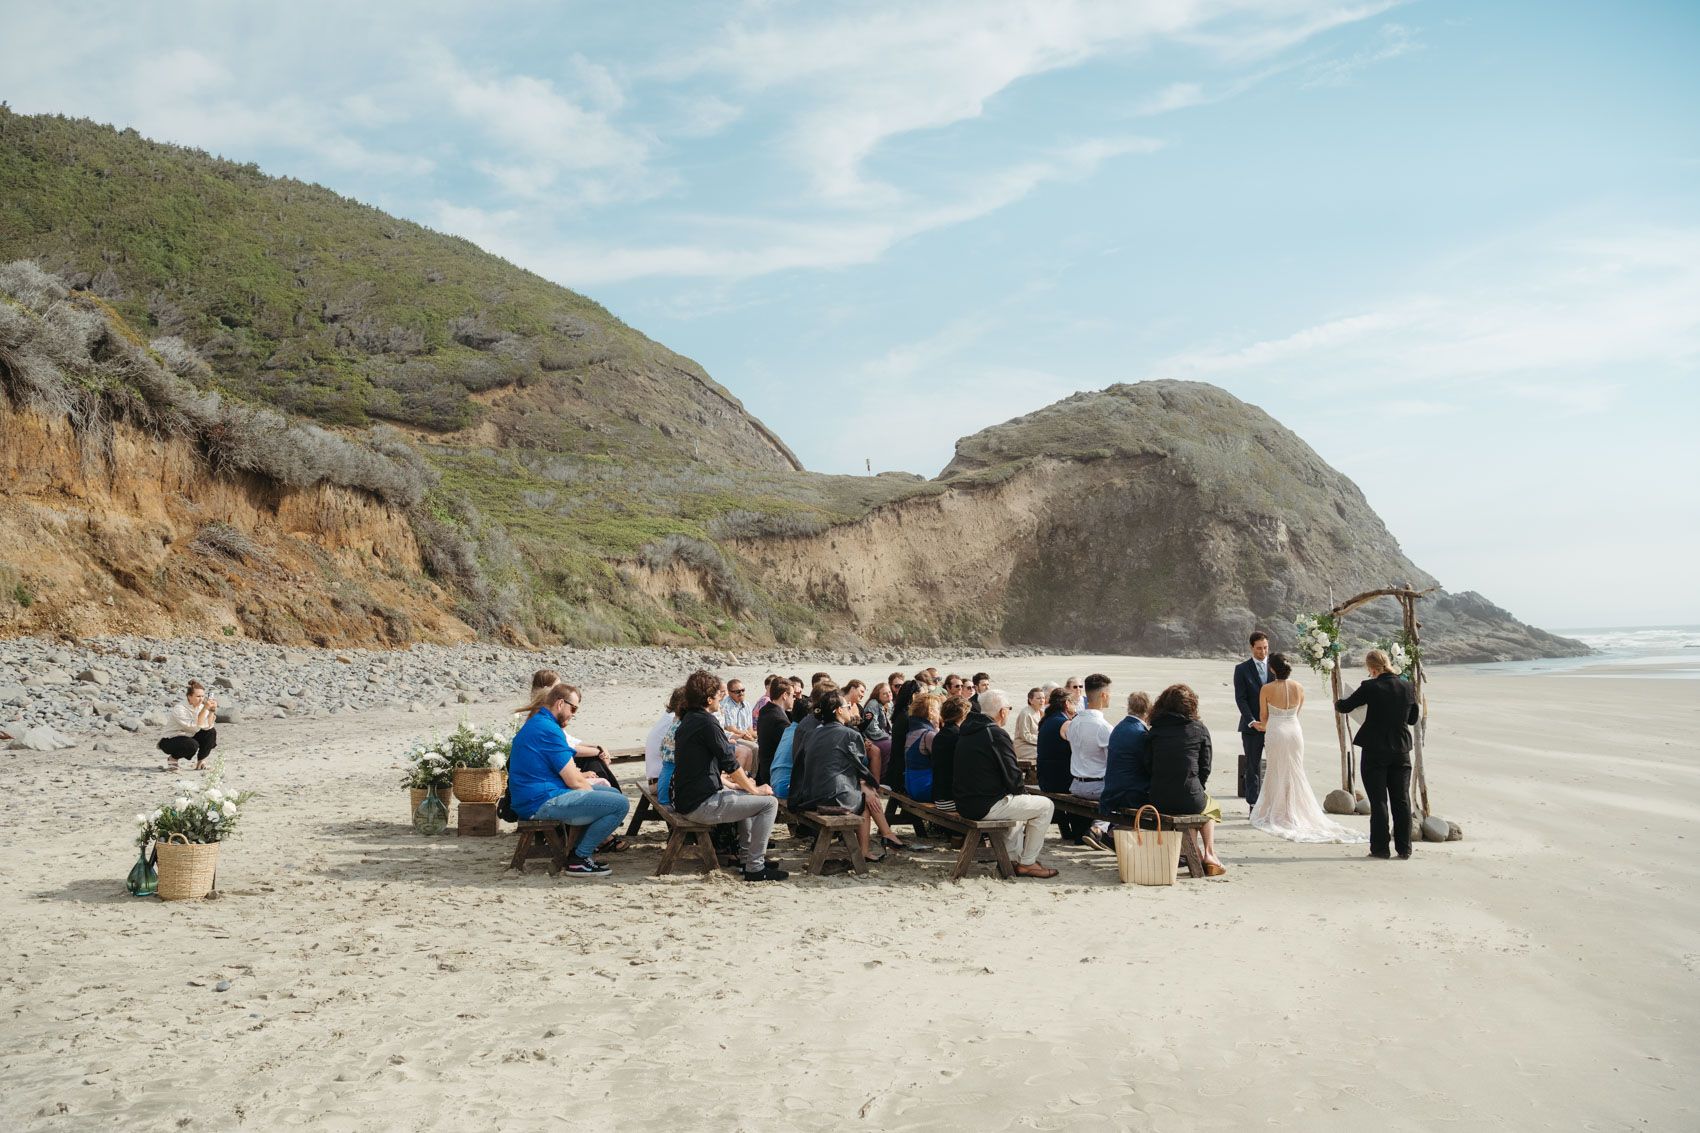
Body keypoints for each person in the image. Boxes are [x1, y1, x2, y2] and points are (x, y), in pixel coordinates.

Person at [671, 670, 787, 881]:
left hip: (687, 798)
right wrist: (755, 788)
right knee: (769, 803)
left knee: (746, 794)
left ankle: (746, 859)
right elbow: (730, 763)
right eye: (719, 695)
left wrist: (739, 786)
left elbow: (704, 768)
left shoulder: (688, 719)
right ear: (708, 700)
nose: (721, 699)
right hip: (700, 804)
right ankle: (754, 867)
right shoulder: (707, 722)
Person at [508, 683, 629, 877]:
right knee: (619, 804)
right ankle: (579, 858)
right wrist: (596, 802)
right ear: (559, 703)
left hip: (537, 796)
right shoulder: (549, 729)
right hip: (540, 801)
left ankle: (581, 851)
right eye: (573, 709)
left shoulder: (539, 723)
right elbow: (574, 782)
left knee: (612, 794)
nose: (573, 714)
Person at [1250, 654, 1367, 845]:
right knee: (1295, 770)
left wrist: (1261, 725)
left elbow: (1264, 716)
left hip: (1276, 731)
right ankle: (1291, 810)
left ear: (1272, 669)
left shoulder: (1266, 689)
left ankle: (1276, 811)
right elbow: (1297, 711)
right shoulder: (1299, 687)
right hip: (1294, 730)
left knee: (1275, 770)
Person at [788, 688, 908, 860]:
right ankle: (865, 851)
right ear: (838, 710)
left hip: (809, 795)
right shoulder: (850, 734)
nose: (850, 709)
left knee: (865, 792)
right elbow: (859, 768)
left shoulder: (813, 733)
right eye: (847, 706)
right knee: (866, 799)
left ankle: (881, 838)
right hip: (832, 797)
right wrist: (869, 785)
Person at [953, 689, 1058, 878]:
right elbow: (1013, 774)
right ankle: (1028, 862)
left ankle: (1009, 860)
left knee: (1015, 803)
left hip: (965, 802)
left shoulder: (968, 731)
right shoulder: (995, 734)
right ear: (1002, 712)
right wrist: (1022, 792)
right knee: (1045, 806)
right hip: (983, 805)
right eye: (1008, 708)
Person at [1334, 649, 1419, 860]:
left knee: (1379, 800)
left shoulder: (1370, 686)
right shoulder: (1407, 686)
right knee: (1401, 799)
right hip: (1401, 750)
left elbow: (1345, 706)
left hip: (1375, 750)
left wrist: (1338, 701)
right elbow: (1412, 719)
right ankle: (1404, 848)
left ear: (1371, 668)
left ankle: (1381, 848)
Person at [1147, 683, 1226, 876]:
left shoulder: (1155, 730)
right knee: (1210, 806)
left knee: (1194, 802)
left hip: (1159, 798)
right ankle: (1208, 853)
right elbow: (1205, 766)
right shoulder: (1198, 729)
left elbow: (1148, 765)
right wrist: (1197, 786)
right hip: (1189, 794)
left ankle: (1196, 853)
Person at [522, 670, 620, 789]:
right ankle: (611, 793)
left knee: (594, 761)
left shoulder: (541, 716)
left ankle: (611, 792)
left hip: (551, 773)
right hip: (550, 781)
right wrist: (598, 752)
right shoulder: (544, 720)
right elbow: (564, 746)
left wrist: (597, 747)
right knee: (594, 762)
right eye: (557, 687)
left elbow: (569, 740)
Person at [1067, 673, 1116, 849]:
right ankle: (1098, 829)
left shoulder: (1074, 722)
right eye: (1109, 693)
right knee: (1123, 793)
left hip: (1076, 784)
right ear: (1103, 695)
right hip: (1096, 788)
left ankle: (1101, 829)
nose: (1110, 697)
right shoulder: (1104, 727)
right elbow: (1113, 764)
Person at [1035, 687, 1087, 843]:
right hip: (1060, 780)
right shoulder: (1065, 723)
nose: (1076, 706)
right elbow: (1077, 750)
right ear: (1066, 703)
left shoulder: (1047, 720)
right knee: (1082, 786)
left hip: (1046, 777)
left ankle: (1069, 830)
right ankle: (1081, 834)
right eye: (1073, 703)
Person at [1234, 632, 1272, 805]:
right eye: (1259, 648)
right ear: (1251, 648)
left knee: (1275, 766)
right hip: (1251, 727)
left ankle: (1271, 804)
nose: (1263, 652)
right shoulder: (1241, 669)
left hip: (1274, 726)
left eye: (1265, 648)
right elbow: (1240, 699)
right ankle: (1253, 805)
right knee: (1252, 767)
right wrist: (1252, 721)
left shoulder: (1276, 667)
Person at [1100, 691, 1153, 815]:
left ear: (1129, 707)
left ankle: (1112, 832)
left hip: (1111, 793)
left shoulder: (1118, 728)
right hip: (1130, 795)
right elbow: (1149, 766)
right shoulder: (1141, 734)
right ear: (1148, 710)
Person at [159, 680, 218, 771]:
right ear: (189, 697)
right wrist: (205, 709)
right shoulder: (180, 709)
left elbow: (208, 726)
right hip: (170, 740)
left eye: (202, 696)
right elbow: (194, 726)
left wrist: (211, 711)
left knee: (211, 732)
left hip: (189, 735)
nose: (201, 699)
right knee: (191, 745)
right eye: (198, 696)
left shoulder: (201, 707)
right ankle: (173, 759)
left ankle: (201, 761)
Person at [930, 695, 970, 812]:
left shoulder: (940, 735)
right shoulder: (959, 737)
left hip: (939, 797)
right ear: (963, 715)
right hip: (951, 800)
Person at [901, 691, 942, 801]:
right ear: (931, 711)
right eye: (938, 709)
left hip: (911, 787)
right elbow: (943, 762)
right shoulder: (928, 735)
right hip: (925, 789)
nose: (939, 712)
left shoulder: (912, 732)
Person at [755, 675, 794, 785]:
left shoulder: (766, 710)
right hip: (774, 775)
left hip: (764, 769)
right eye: (793, 696)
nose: (794, 699)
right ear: (785, 695)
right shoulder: (778, 720)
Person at [719, 677, 760, 773]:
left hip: (744, 735)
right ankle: (750, 776)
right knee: (754, 747)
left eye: (742, 690)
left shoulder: (746, 705)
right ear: (729, 693)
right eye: (737, 692)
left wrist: (759, 735)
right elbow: (731, 728)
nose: (741, 693)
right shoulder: (726, 705)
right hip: (733, 736)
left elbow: (750, 729)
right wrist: (745, 735)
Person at [860, 681, 894, 782]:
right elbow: (872, 728)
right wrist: (888, 736)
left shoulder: (889, 704)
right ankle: (883, 777)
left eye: (889, 692)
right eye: (884, 693)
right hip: (872, 736)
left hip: (883, 735)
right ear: (877, 695)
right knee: (889, 746)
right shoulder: (873, 704)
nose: (888, 694)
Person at [1012, 687, 1043, 769]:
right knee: (1046, 752)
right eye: (1039, 698)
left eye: (1043, 698)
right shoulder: (1025, 713)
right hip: (1024, 746)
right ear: (1031, 700)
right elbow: (1025, 735)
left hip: (1035, 744)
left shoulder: (1040, 712)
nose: (1042, 700)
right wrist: (1042, 739)